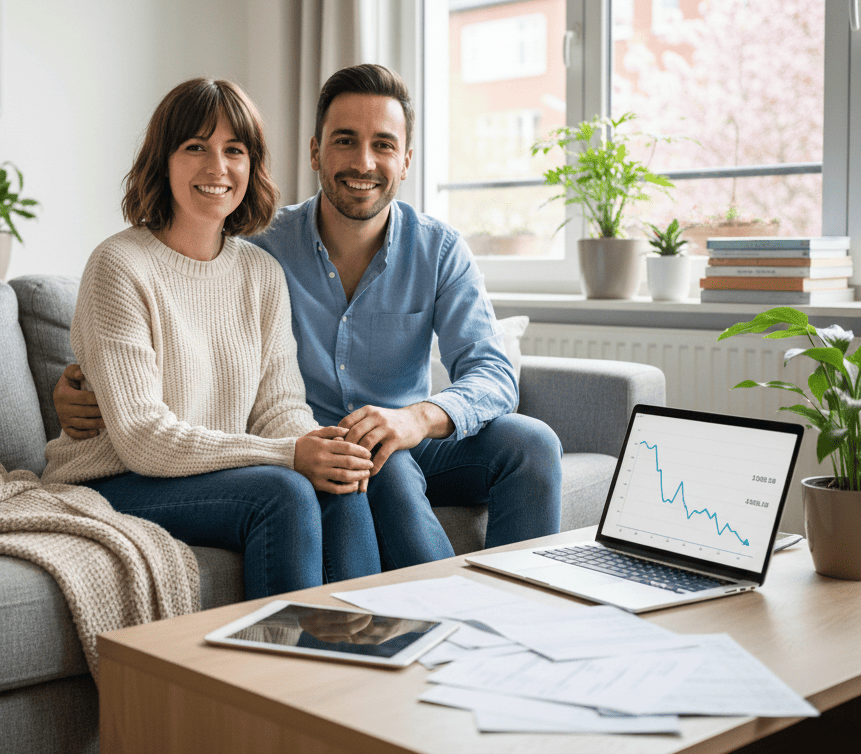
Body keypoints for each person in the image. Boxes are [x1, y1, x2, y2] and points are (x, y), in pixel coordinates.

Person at [56, 65, 563, 569]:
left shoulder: (435, 250)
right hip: (310, 444)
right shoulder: (262, 244)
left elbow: (492, 373)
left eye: (383, 145)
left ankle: (521, 603)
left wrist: (416, 418)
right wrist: (78, 382)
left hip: (392, 435)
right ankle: (428, 610)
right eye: (345, 141)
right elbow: (149, 346)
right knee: (360, 468)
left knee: (531, 443)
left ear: (406, 160)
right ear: (316, 151)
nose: (363, 161)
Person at [42, 77, 385, 600]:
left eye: (234, 150)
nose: (217, 167)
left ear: (251, 165)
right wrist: (289, 456)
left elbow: (279, 408)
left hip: (208, 474)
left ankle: (367, 642)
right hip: (113, 479)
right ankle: (289, 655)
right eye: (195, 147)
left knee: (342, 478)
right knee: (285, 491)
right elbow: (142, 438)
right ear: (163, 160)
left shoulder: (261, 273)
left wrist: (322, 450)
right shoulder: (119, 265)